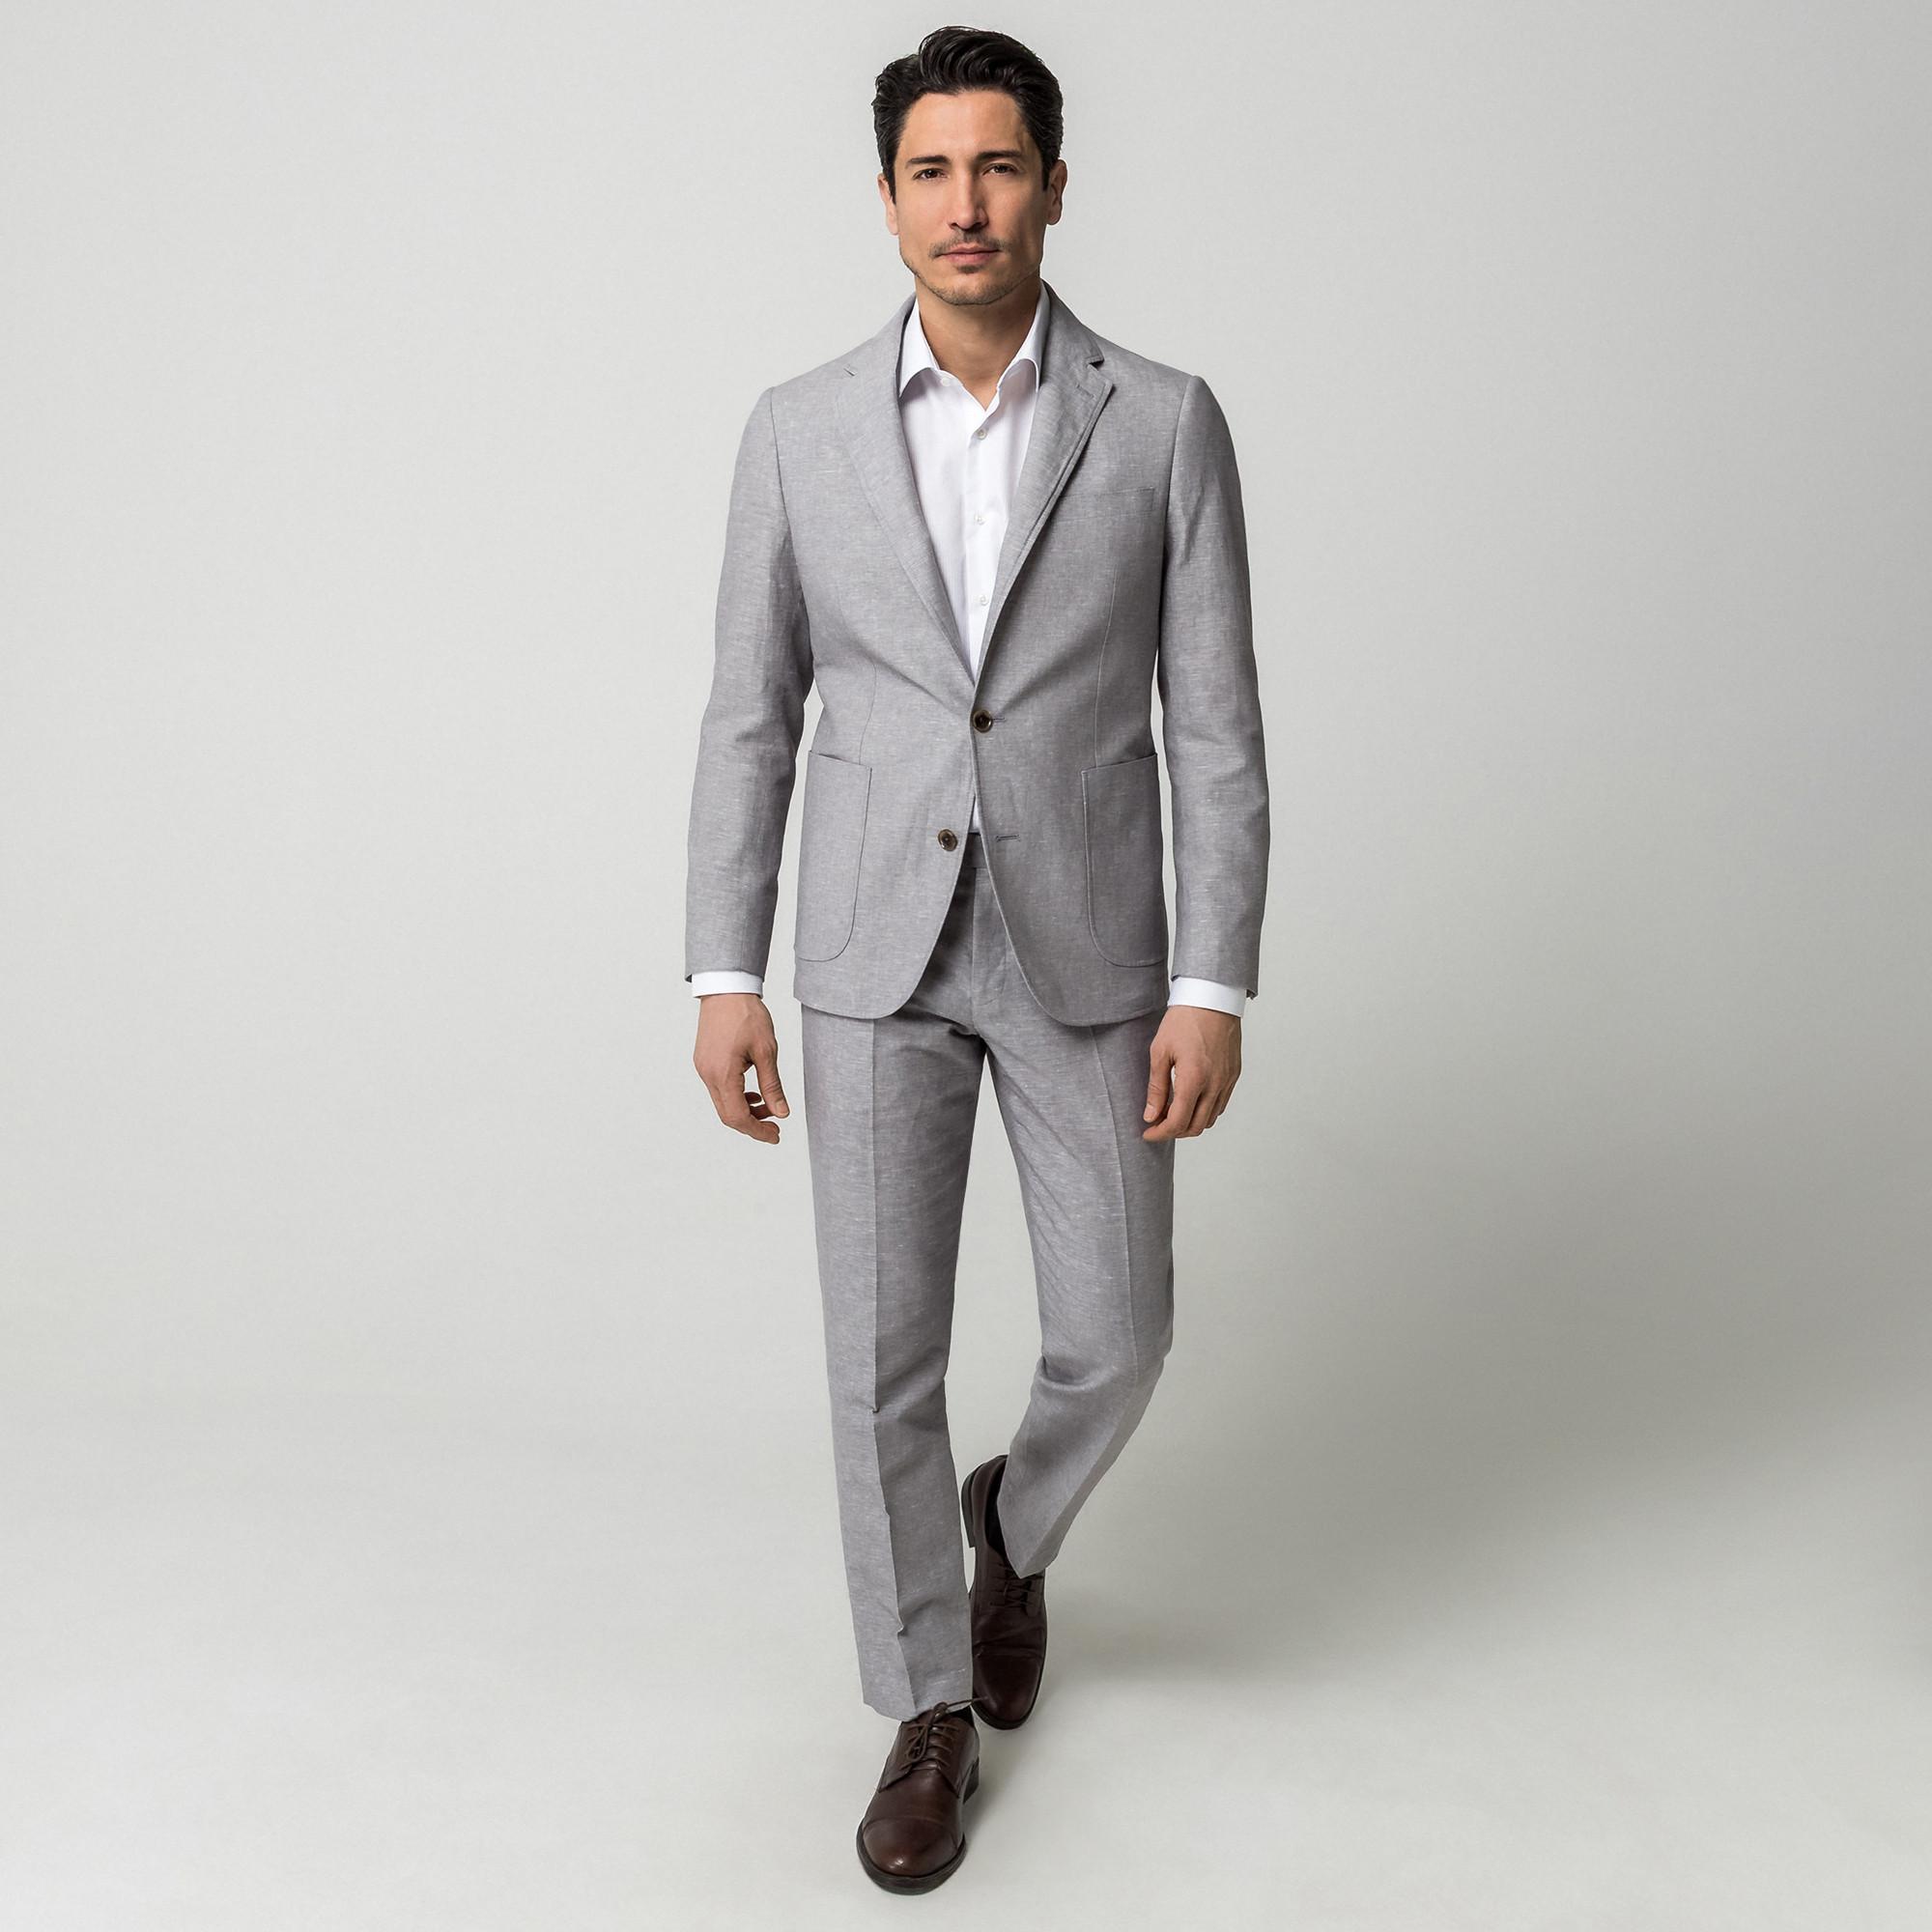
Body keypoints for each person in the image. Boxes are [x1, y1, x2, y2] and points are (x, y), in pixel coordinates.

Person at [683, 24, 1269, 1893]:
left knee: (1122, 1331)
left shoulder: (1160, 420)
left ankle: (1009, 1525)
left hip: (1089, 945)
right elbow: (750, 715)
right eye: (931, 172)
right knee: (879, 1357)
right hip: (871, 947)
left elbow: (1216, 728)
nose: (967, 204)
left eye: (999, 166)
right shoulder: (796, 430)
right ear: (886, 200)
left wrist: (1214, 981)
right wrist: (719, 968)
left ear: (1055, 187)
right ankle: (925, 1702)